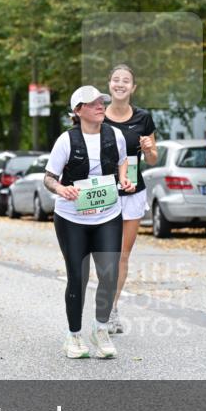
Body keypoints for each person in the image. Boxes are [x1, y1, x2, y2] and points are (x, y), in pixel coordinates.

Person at [44, 86, 134, 359]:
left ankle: (101, 329)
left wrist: (123, 179)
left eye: (101, 102)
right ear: (78, 110)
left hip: (107, 213)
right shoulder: (66, 140)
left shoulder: (114, 135)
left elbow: (122, 161)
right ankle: (73, 336)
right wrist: (61, 189)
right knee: (78, 277)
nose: (99, 106)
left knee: (108, 275)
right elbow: (48, 177)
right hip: (72, 218)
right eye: (92, 103)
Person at [102, 64, 157, 334]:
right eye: (116, 80)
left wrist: (148, 149)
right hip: (105, 191)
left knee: (122, 255)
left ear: (133, 88)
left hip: (133, 190)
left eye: (126, 81)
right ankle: (104, 305)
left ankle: (112, 309)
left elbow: (153, 157)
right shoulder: (98, 115)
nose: (120, 84)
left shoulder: (144, 118)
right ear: (109, 85)